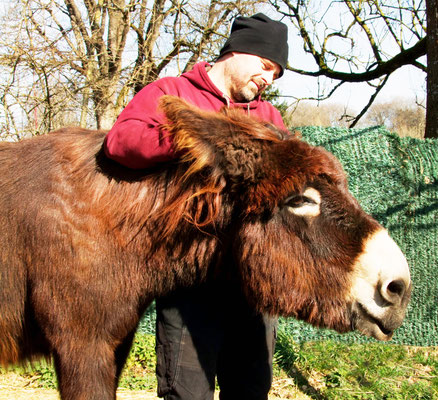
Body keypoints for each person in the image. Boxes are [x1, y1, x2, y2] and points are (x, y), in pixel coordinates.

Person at [104, 13, 289, 400]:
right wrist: (194, 141)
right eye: (266, 66)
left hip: (252, 287)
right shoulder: (172, 91)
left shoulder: (268, 117)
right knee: (185, 393)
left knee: (251, 390)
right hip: (189, 283)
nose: (269, 79)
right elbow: (120, 141)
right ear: (238, 52)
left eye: (277, 74)